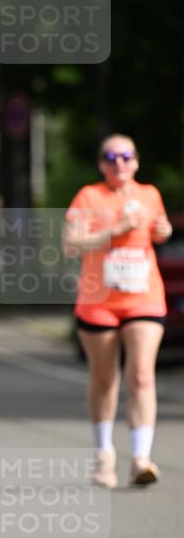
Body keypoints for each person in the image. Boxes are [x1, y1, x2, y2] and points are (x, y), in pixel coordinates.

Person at [64, 134, 172, 487]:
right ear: (102, 164)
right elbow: (71, 244)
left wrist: (164, 230)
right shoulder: (89, 196)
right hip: (98, 302)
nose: (119, 162)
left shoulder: (150, 194)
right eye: (111, 157)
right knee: (105, 379)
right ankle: (103, 455)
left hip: (144, 296)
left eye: (126, 156)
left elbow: (159, 230)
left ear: (136, 162)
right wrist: (116, 230)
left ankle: (141, 458)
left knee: (141, 375)